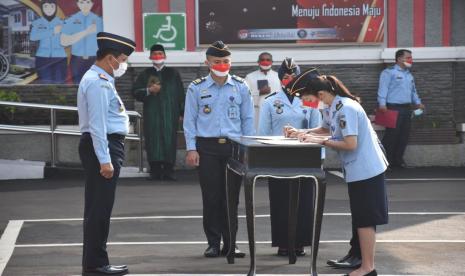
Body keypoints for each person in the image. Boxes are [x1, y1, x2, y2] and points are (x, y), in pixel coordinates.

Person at [286, 73, 389, 276]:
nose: (306, 103)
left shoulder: (346, 109)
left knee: (366, 219)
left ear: (321, 94)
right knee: (361, 218)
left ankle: (368, 268)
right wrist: (302, 133)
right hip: (357, 170)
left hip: (367, 170)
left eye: (307, 98)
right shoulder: (332, 106)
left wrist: (318, 141)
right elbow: (326, 129)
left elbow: (350, 144)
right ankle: (363, 264)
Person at [183, 41, 255, 258]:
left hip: (234, 148)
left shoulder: (241, 86)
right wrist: (191, 148)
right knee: (212, 197)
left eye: (226, 61)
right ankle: (213, 243)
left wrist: (248, 147)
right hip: (207, 148)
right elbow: (190, 121)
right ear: (207, 63)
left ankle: (231, 243)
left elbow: (248, 119)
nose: (222, 65)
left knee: (231, 198)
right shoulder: (196, 87)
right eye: (217, 61)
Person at [77, 31, 135, 275]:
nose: (123, 64)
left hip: (107, 146)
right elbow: (98, 125)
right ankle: (96, 264)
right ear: (110, 58)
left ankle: (95, 261)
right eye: (122, 59)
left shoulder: (103, 79)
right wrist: (105, 160)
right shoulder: (98, 82)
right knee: (99, 209)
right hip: (103, 147)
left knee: (99, 208)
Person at [258, 59, 321, 256]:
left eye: (294, 77)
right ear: (280, 79)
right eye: (286, 77)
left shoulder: (310, 100)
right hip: (278, 158)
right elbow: (264, 133)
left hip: (304, 157)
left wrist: (320, 157)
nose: (290, 80)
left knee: (304, 201)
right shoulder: (270, 101)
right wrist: (263, 160)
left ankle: (300, 242)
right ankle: (283, 243)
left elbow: (319, 130)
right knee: (280, 201)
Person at [132, 44, 185, 181]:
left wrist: (182, 112)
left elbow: (181, 94)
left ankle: (168, 170)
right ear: (150, 57)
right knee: (153, 139)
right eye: (154, 54)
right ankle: (155, 170)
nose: (157, 57)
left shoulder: (173, 74)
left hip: (170, 113)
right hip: (152, 113)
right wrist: (149, 91)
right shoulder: (145, 74)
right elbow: (135, 92)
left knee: (169, 139)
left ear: (165, 56)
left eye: (160, 54)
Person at [377, 49, 425, 169]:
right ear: (399, 59)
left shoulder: (409, 75)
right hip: (392, 108)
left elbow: (413, 92)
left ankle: (398, 161)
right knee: (391, 136)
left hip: (407, 108)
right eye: (408, 57)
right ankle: (384, 162)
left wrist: (418, 103)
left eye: (411, 57)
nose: (410, 60)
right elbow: (383, 89)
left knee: (404, 136)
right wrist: (382, 104)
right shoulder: (389, 73)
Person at [61, 0, 103, 83]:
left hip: (95, 59)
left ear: (92, 4)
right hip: (77, 60)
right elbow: (64, 41)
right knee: (78, 86)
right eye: (82, 2)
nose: (85, 5)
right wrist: (86, 32)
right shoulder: (71, 20)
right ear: (77, 4)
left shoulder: (99, 21)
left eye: (88, 2)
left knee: (95, 85)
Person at [30, 0, 67, 83]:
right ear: (42, 8)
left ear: (56, 8)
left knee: (59, 83)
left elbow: (69, 39)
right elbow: (33, 37)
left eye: (52, 6)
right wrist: (53, 31)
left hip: (60, 58)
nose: (49, 9)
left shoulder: (62, 23)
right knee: (44, 84)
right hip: (42, 58)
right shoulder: (37, 23)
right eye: (46, 6)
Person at [245, 52, 281, 128]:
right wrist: (258, 92)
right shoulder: (250, 77)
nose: (265, 62)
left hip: (275, 110)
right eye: (262, 59)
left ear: (272, 62)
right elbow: (245, 96)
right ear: (258, 62)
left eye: (268, 60)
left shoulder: (278, 76)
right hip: (257, 111)